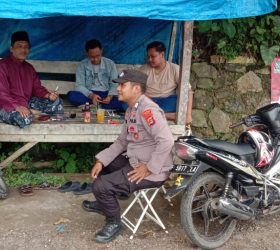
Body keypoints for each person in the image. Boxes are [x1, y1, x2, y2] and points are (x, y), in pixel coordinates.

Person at [82, 69, 174, 243]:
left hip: (152, 170)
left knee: (101, 187)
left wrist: (149, 168)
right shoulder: (132, 109)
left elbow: (167, 141)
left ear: (136, 88)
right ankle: (105, 204)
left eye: (122, 85)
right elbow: (122, 142)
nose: (118, 89)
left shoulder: (149, 111)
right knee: (105, 165)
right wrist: (101, 160)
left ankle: (114, 223)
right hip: (135, 160)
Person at [0, 31, 63, 128]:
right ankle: (35, 113)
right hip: (6, 106)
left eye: (26, 47)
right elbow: (1, 93)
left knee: (57, 102)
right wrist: (17, 107)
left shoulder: (29, 68)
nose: (23, 50)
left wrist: (49, 95)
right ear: (11, 49)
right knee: (25, 118)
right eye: (19, 46)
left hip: (26, 103)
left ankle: (34, 113)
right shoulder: (1, 67)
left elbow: (37, 88)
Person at [139, 41, 193, 124]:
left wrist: (188, 116)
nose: (149, 59)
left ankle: (156, 113)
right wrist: (148, 100)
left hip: (167, 101)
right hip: (148, 101)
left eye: (153, 56)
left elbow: (188, 91)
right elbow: (136, 90)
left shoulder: (175, 69)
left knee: (179, 101)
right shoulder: (143, 69)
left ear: (162, 55)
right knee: (126, 103)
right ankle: (166, 115)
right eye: (148, 57)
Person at [67, 39, 122, 110]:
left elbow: (114, 84)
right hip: (89, 94)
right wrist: (92, 96)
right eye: (92, 57)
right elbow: (79, 85)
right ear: (87, 54)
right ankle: (99, 105)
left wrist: (109, 97)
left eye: (98, 56)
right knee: (71, 95)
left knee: (123, 101)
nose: (96, 59)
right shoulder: (82, 65)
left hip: (106, 94)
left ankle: (93, 105)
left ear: (101, 51)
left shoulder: (110, 64)